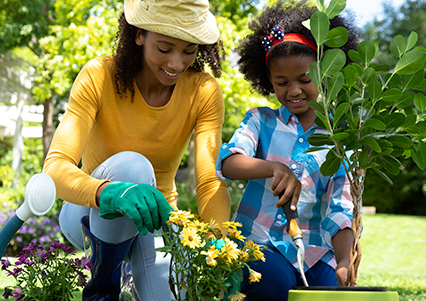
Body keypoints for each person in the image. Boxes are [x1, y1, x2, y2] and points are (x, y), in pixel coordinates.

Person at [43, 0, 232, 300]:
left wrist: (220, 238)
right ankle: (103, 287)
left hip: (156, 221)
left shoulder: (204, 91)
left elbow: (209, 181)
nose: (176, 64)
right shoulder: (99, 76)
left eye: (188, 50)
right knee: (134, 167)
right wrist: (112, 193)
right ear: (139, 34)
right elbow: (54, 168)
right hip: (88, 212)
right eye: (165, 48)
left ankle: (128, 273)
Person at [215, 2, 361, 300]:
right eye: (282, 82)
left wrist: (344, 262)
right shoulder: (260, 121)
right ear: (269, 81)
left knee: (328, 291)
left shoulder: (339, 139)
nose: (293, 90)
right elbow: (228, 162)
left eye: (305, 80)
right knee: (274, 285)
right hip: (259, 244)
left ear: (326, 74)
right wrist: (272, 167)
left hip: (315, 251)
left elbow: (341, 208)